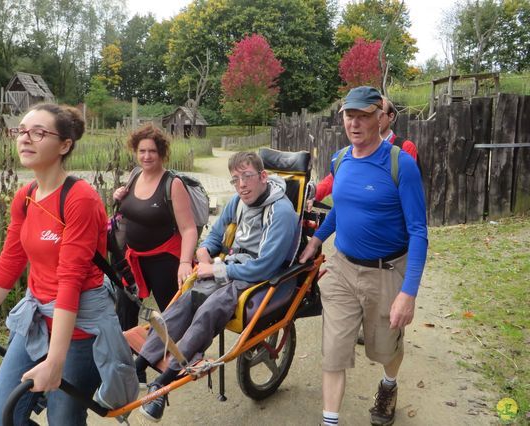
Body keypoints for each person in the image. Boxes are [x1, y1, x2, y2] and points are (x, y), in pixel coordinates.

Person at [0, 103, 138, 425]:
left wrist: (55, 361)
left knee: (64, 421)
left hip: (79, 330)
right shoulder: (25, 197)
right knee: (1, 419)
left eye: (39, 132)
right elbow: (9, 263)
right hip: (36, 322)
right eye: (22, 130)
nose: (25, 138)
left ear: (65, 145)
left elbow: (69, 279)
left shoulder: (79, 198)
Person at [135, 151, 298, 422]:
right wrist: (204, 251)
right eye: (235, 179)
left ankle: (164, 382)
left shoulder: (280, 212)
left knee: (209, 309)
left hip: (257, 277)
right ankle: (140, 363)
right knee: (187, 300)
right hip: (231, 266)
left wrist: (217, 268)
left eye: (247, 176)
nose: (242, 184)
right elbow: (214, 234)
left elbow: (266, 266)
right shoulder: (238, 200)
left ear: (263, 176)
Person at [299, 86, 428, 426]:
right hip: (342, 268)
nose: (354, 124)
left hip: (386, 272)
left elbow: (418, 232)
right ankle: (330, 421)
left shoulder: (402, 164)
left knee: (386, 350)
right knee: (334, 351)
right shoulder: (339, 160)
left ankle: (389, 384)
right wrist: (317, 241)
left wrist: (408, 293)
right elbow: (341, 209)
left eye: (363, 116)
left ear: (379, 118)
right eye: (348, 115)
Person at [112, 124, 198, 339]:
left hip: (164, 262)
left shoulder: (173, 184)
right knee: (124, 314)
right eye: (142, 151)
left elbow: (188, 229)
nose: (147, 156)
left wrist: (185, 263)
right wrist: (118, 198)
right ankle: (129, 365)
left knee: (173, 317)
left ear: (162, 153)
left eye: (152, 151)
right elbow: (128, 213)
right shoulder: (134, 176)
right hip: (133, 260)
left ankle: (178, 365)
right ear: (135, 152)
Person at [313, 96, 419, 203]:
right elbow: (336, 176)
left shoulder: (404, 147)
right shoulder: (358, 146)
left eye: (380, 114)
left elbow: (409, 190)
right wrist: (314, 195)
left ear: (390, 116)